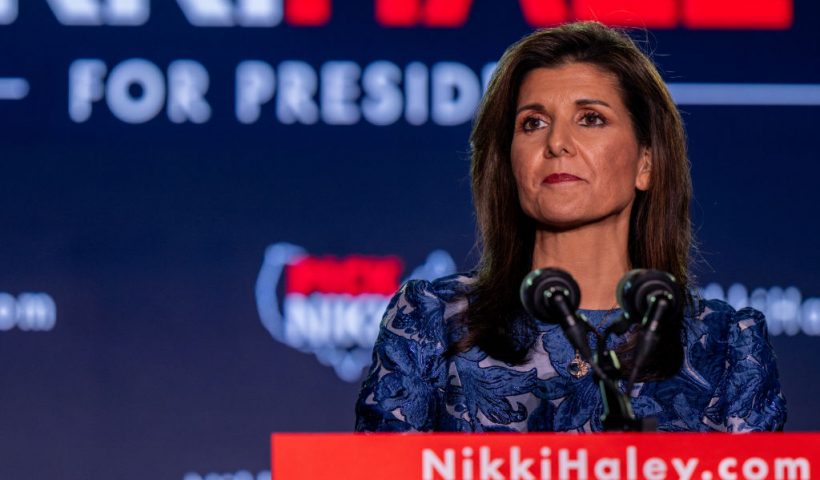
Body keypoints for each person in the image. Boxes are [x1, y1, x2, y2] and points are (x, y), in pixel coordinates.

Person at [355, 21, 786, 432]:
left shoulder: (726, 344)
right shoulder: (432, 322)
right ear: (509, 163)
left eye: (591, 118)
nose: (556, 142)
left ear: (646, 163)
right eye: (533, 123)